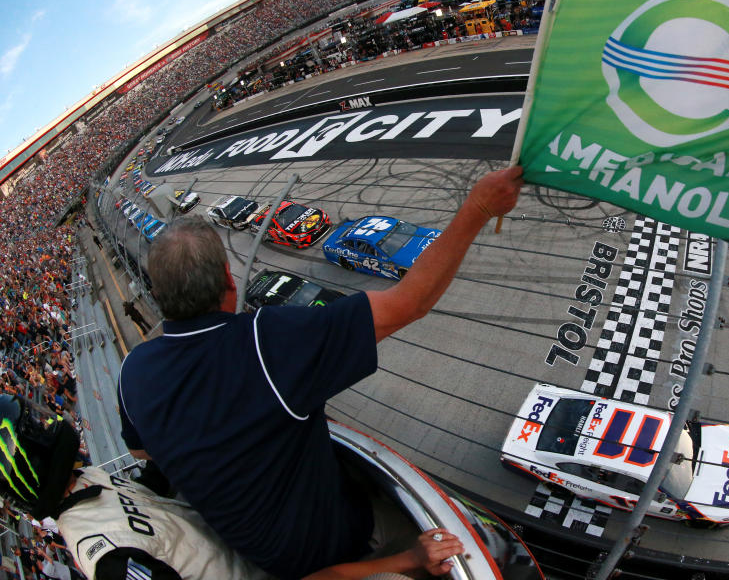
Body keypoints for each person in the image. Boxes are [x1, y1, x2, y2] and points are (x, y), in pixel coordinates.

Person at [117, 167, 522, 579]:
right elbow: (409, 302)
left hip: (263, 556)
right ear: (229, 279)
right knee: (468, 550)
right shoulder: (266, 342)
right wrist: (478, 207)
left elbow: (141, 451)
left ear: (161, 294)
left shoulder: (133, 373)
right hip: (338, 545)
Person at [0, 393, 460, 580]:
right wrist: (408, 560)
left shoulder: (89, 484)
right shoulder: (109, 559)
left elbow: (156, 490)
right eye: (37, 426)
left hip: (265, 554)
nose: (50, 422)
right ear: (30, 455)